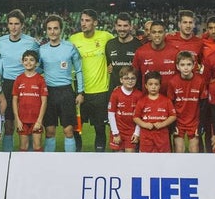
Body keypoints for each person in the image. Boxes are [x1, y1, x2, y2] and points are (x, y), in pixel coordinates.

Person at [68, 9, 115, 152]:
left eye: (87, 20)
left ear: (95, 22)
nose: (84, 23)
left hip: (100, 91)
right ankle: (77, 151)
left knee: (100, 127)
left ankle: (99, 156)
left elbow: (115, 50)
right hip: (80, 91)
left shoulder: (106, 36)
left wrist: (112, 64)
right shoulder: (73, 39)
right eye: (82, 20)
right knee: (76, 126)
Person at [38, 15, 84, 153]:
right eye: (49, 29)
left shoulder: (70, 48)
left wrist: (80, 92)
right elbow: (38, 69)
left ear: (61, 30)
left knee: (68, 130)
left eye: (56, 28)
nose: (52, 32)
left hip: (66, 92)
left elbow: (79, 70)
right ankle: (48, 164)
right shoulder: (42, 50)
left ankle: (69, 164)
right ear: (46, 31)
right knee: (50, 131)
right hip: (48, 93)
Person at [0, 9, 40, 152]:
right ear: (7, 25)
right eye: (11, 24)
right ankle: (7, 156)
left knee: (28, 122)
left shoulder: (31, 42)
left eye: (16, 24)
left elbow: (40, 63)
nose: (13, 27)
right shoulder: (1, 42)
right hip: (8, 84)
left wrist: (33, 78)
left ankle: (28, 155)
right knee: (9, 124)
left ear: (22, 25)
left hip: (27, 84)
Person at [165, 51, 205, 153]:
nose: (186, 68)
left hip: (194, 121)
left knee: (194, 149)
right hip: (179, 121)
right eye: (182, 65)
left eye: (189, 64)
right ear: (177, 67)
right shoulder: (172, 82)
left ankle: (194, 169)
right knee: (179, 150)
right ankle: (179, 169)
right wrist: (172, 124)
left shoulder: (200, 80)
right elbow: (170, 104)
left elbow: (203, 104)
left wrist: (201, 124)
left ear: (193, 65)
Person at [13, 50, 48, 152]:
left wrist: (39, 121)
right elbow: (15, 100)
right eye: (26, 60)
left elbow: (44, 101)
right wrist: (17, 120)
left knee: (37, 146)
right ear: (22, 62)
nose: (28, 62)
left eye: (32, 60)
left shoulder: (40, 80)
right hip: (22, 120)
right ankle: (23, 167)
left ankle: (38, 167)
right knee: (23, 147)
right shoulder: (19, 79)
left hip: (36, 120)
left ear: (37, 63)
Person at [133, 71, 175, 153]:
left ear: (160, 86)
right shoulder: (142, 101)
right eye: (150, 84)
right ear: (146, 86)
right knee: (146, 162)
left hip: (162, 137)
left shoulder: (166, 101)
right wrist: (145, 124)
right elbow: (135, 117)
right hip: (146, 138)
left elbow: (173, 116)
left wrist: (162, 124)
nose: (153, 87)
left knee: (163, 161)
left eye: (156, 84)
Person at [107, 67, 143, 153]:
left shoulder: (139, 95)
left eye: (132, 78)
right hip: (118, 131)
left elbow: (140, 116)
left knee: (130, 156)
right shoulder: (115, 94)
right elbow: (111, 114)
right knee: (118, 158)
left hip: (131, 132)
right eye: (126, 78)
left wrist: (137, 133)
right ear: (121, 80)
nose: (130, 81)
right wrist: (115, 133)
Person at [105, 12, 140, 93]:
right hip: (114, 92)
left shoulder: (138, 45)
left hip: (133, 93)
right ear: (115, 27)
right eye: (119, 25)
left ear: (131, 27)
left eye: (125, 25)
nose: (122, 29)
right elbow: (108, 66)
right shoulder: (110, 44)